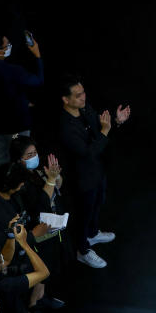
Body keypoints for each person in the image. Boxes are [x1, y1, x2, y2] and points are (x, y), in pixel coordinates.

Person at [58, 75, 129, 268]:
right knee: (84, 212)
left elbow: (100, 129)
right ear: (66, 99)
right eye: (78, 95)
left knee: (99, 201)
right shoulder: (66, 127)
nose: (83, 98)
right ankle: (82, 250)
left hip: (97, 169)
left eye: (83, 93)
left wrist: (116, 121)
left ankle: (93, 233)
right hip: (81, 176)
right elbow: (87, 152)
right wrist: (105, 132)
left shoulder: (85, 109)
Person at [0, 164, 50, 313]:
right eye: (20, 183)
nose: (22, 185)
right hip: (13, 266)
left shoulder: (12, 196)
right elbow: (4, 252)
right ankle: (31, 308)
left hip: (23, 254)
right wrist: (33, 235)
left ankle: (39, 299)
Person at [10, 137, 67, 310]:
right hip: (37, 230)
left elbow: (57, 186)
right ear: (18, 159)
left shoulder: (37, 171)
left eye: (35, 153)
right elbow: (40, 204)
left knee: (51, 263)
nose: (34, 157)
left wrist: (55, 178)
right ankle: (34, 305)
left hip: (51, 225)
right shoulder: (20, 180)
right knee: (41, 265)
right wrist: (50, 180)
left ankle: (43, 297)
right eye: (29, 154)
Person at [0, 30, 43, 167]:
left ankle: (4, 185)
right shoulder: (14, 71)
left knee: (1, 162)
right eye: (6, 45)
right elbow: (38, 80)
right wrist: (37, 55)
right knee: (25, 158)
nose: (10, 45)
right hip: (18, 126)